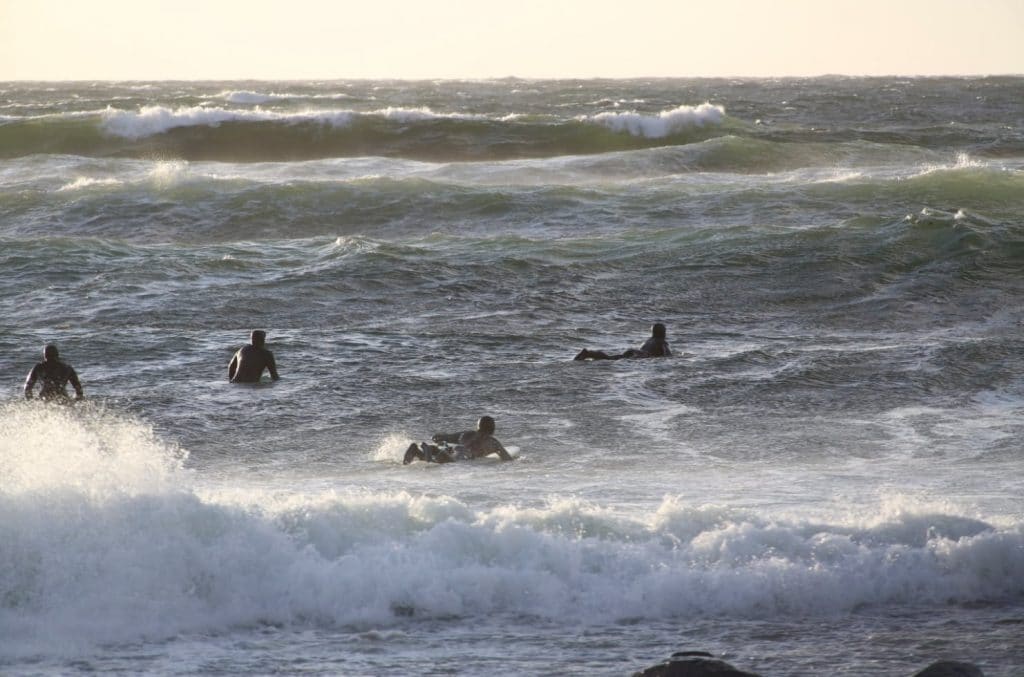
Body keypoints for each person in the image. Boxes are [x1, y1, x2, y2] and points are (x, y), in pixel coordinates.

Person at [403, 415, 513, 464]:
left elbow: (446, 437)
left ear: (478, 426)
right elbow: (507, 459)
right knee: (442, 462)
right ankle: (428, 456)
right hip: (462, 456)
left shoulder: (467, 434)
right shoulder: (494, 443)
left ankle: (418, 450)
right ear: (492, 429)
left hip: (454, 450)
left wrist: (437, 437)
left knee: (438, 452)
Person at [574, 322, 671, 361]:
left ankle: (589, 353)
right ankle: (588, 354)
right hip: (640, 355)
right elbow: (667, 354)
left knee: (611, 358)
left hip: (634, 351)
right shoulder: (661, 342)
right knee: (610, 359)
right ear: (663, 333)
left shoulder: (649, 340)